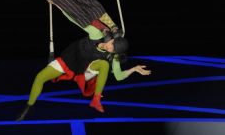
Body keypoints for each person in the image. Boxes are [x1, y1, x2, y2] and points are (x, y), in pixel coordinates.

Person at [15, 22, 151, 120]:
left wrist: (134, 69)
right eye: (112, 45)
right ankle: (29, 106)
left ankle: (96, 99)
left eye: (113, 50)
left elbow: (119, 76)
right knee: (40, 77)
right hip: (70, 60)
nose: (109, 48)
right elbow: (76, 19)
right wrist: (58, 4)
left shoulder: (112, 56)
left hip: (86, 70)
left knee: (104, 64)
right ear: (112, 39)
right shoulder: (96, 34)